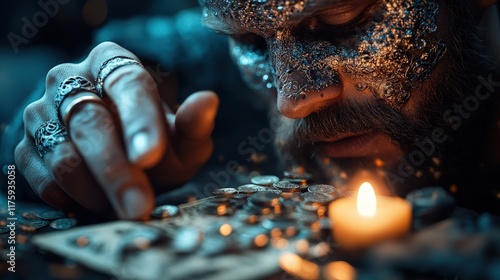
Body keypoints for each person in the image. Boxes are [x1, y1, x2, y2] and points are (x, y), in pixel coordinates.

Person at [8, 0, 500, 221]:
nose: (292, 98)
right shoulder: (202, 73)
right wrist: (71, 135)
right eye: (251, 42)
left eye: (340, 22)